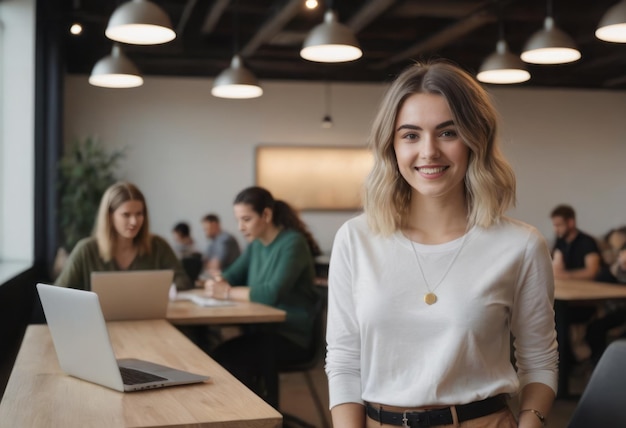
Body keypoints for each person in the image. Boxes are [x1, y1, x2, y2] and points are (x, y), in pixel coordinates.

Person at [325, 60, 558, 428]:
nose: (429, 151)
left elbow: (539, 360)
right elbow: (343, 360)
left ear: (474, 140)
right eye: (411, 135)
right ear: (392, 145)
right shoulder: (356, 239)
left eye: (448, 133)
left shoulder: (521, 245)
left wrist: (531, 421)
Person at [203, 186, 321, 408]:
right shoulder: (256, 244)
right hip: (263, 331)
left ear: (266, 215)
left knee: (230, 360)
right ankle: (249, 415)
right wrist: (217, 282)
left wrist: (227, 292)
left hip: (291, 336)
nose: (240, 227)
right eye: (238, 220)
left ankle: (255, 417)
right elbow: (230, 276)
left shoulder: (292, 243)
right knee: (217, 354)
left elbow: (270, 294)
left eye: (246, 219)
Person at [55, 181, 190, 291]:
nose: (134, 222)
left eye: (139, 214)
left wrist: (160, 291)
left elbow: (182, 281)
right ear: (110, 216)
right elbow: (58, 292)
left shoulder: (158, 245)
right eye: (126, 215)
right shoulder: (86, 250)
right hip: (98, 322)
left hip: (148, 320)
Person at [550, 204, 602, 281]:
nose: (556, 230)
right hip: (568, 285)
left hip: (589, 287)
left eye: (559, 225)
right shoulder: (560, 242)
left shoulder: (587, 242)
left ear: (571, 222)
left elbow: (592, 272)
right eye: (554, 225)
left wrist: (564, 275)